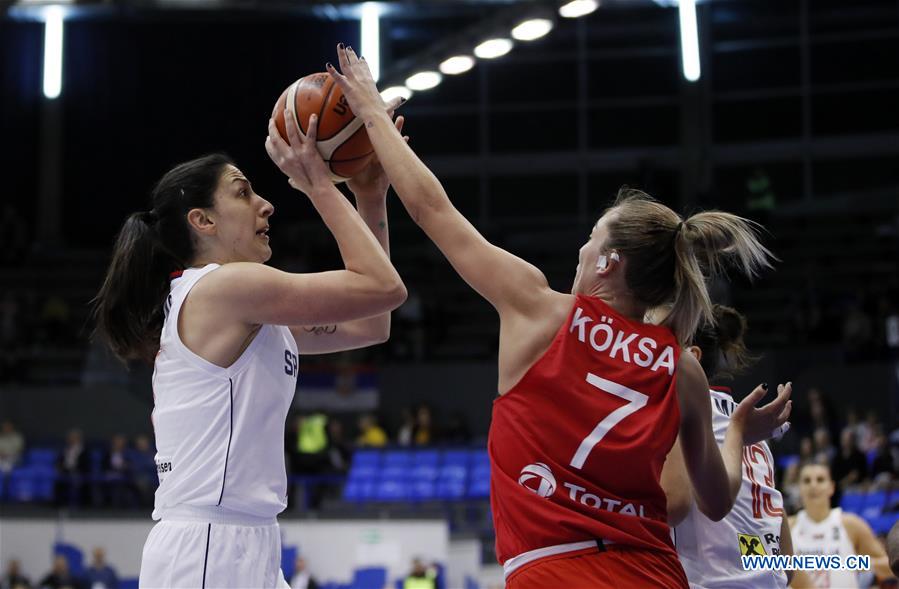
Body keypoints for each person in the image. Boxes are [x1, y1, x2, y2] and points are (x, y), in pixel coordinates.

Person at [325, 45, 791, 588]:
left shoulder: (539, 308)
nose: (581, 249)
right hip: (654, 573)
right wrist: (737, 432)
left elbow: (433, 210)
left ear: (608, 262)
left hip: (555, 569)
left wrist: (372, 112)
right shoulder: (681, 367)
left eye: (591, 239)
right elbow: (715, 501)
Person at [92, 99, 406, 587]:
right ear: (203, 221)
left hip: (248, 539)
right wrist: (319, 184)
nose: (266, 204)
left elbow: (373, 323)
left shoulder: (242, 305)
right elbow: (383, 288)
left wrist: (370, 195)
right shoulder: (224, 287)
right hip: (208, 545)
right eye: (243, 193)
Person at [663, 305, 800, 588]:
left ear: (691, 356)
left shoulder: (680, 413)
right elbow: (788, 566)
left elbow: (672, 505)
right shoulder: (756, 431)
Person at [790, 462, 892, 588]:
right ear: (799, 488)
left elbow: (889, 566)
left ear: (831, 487)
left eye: (820, 480)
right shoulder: (788, 527)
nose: (813, 485)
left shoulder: (851, 524)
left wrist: (860, 563)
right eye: (807, 481)